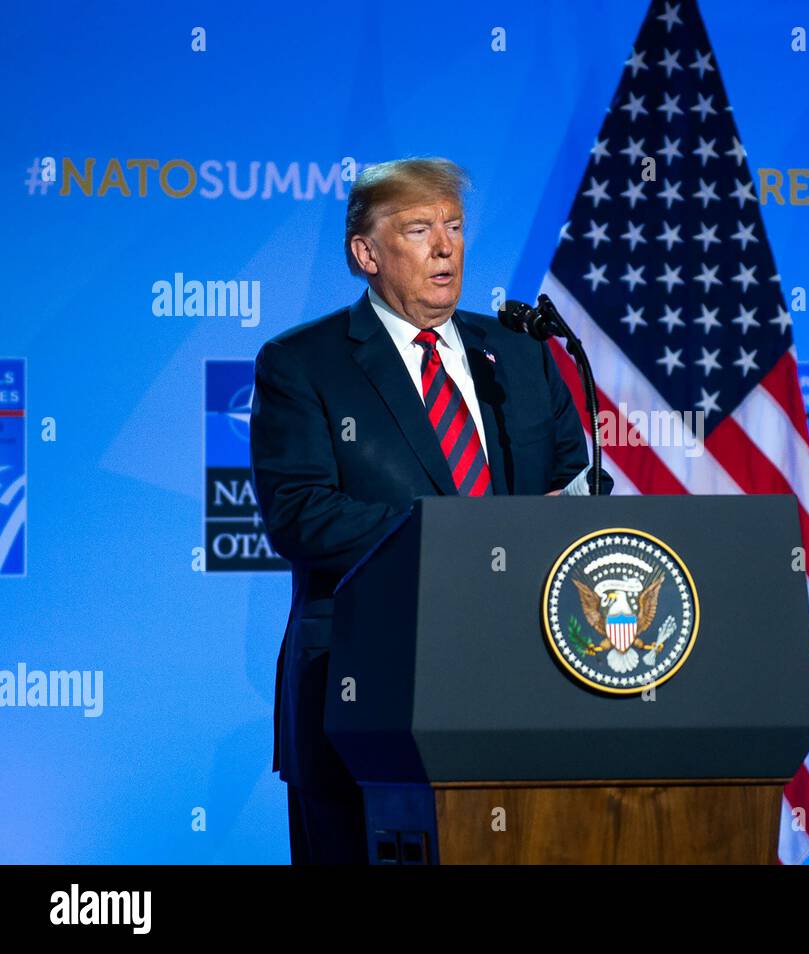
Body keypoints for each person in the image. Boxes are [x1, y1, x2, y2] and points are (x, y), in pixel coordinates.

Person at [249, 157, 610, 864]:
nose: (445, 246)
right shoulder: (304, 364)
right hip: (366, 693)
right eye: (419, 229)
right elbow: (301, 515)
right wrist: (459, 538)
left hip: (528, 685)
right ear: (366, 253)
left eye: (454, 227)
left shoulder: (523, 356)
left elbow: (578, 492)